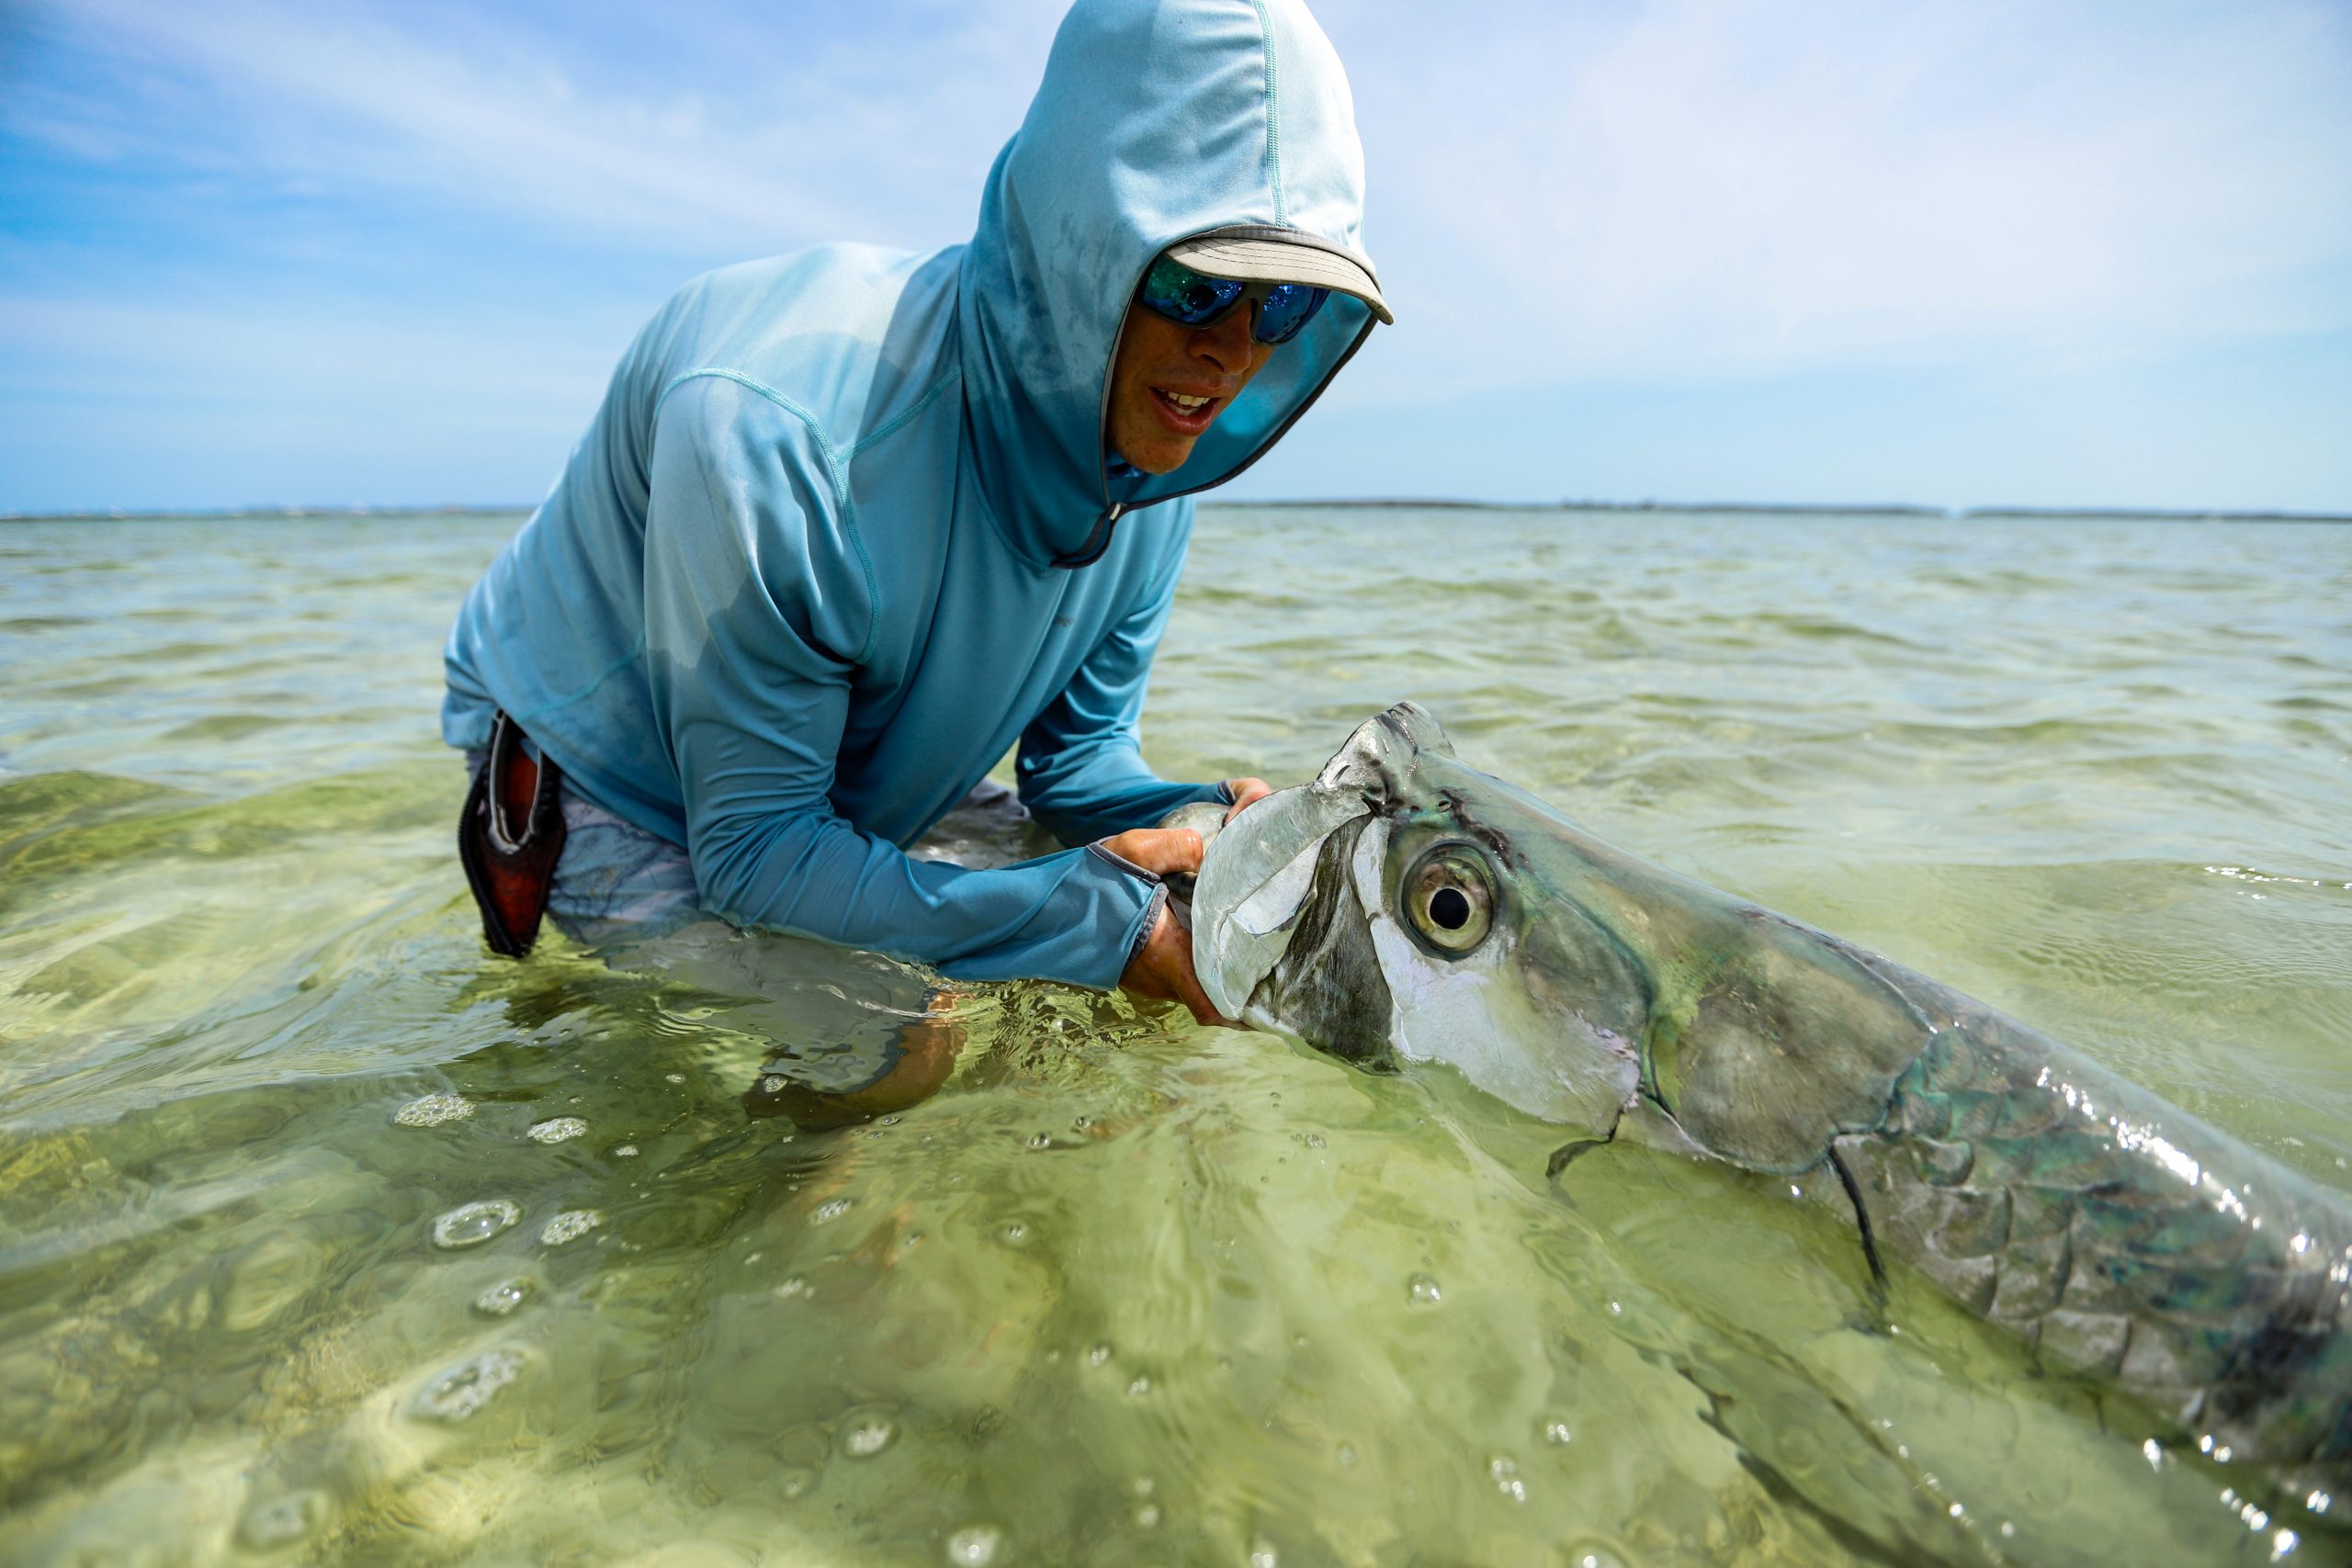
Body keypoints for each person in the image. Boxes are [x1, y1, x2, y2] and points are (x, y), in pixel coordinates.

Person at [443, 0, 1390, 1030]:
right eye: (1196, 285)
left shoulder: (1150, 476)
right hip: (611, 778)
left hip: (845, 770)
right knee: (892, 1040)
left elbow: (1074, 765)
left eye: (1284, 302)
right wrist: (1087, 927)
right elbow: (755, 853)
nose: (1234, 350)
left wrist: (1200, 828)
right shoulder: (782, 436)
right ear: (1081, 242)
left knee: (1141, 958)